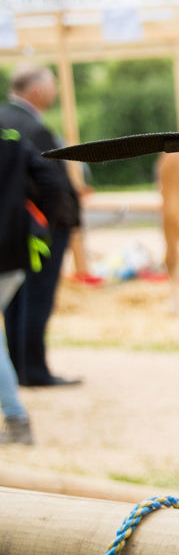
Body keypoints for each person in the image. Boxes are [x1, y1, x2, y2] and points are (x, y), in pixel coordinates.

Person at [1, 67, 83, 387]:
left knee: (15, 299)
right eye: (51, 87)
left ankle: (17, 367)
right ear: (37, 91)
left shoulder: (3, 119)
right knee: (37, 297)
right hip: (39, 229)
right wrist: (56, 221)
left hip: (9, 228)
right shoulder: (33, 127)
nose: (55, 94)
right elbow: (52, 182)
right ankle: (33, 370)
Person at [0, 125, 75, 443]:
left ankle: (16, 418)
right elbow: (52, 183)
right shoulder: (12, 141)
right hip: (13, 252)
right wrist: (33, 221)